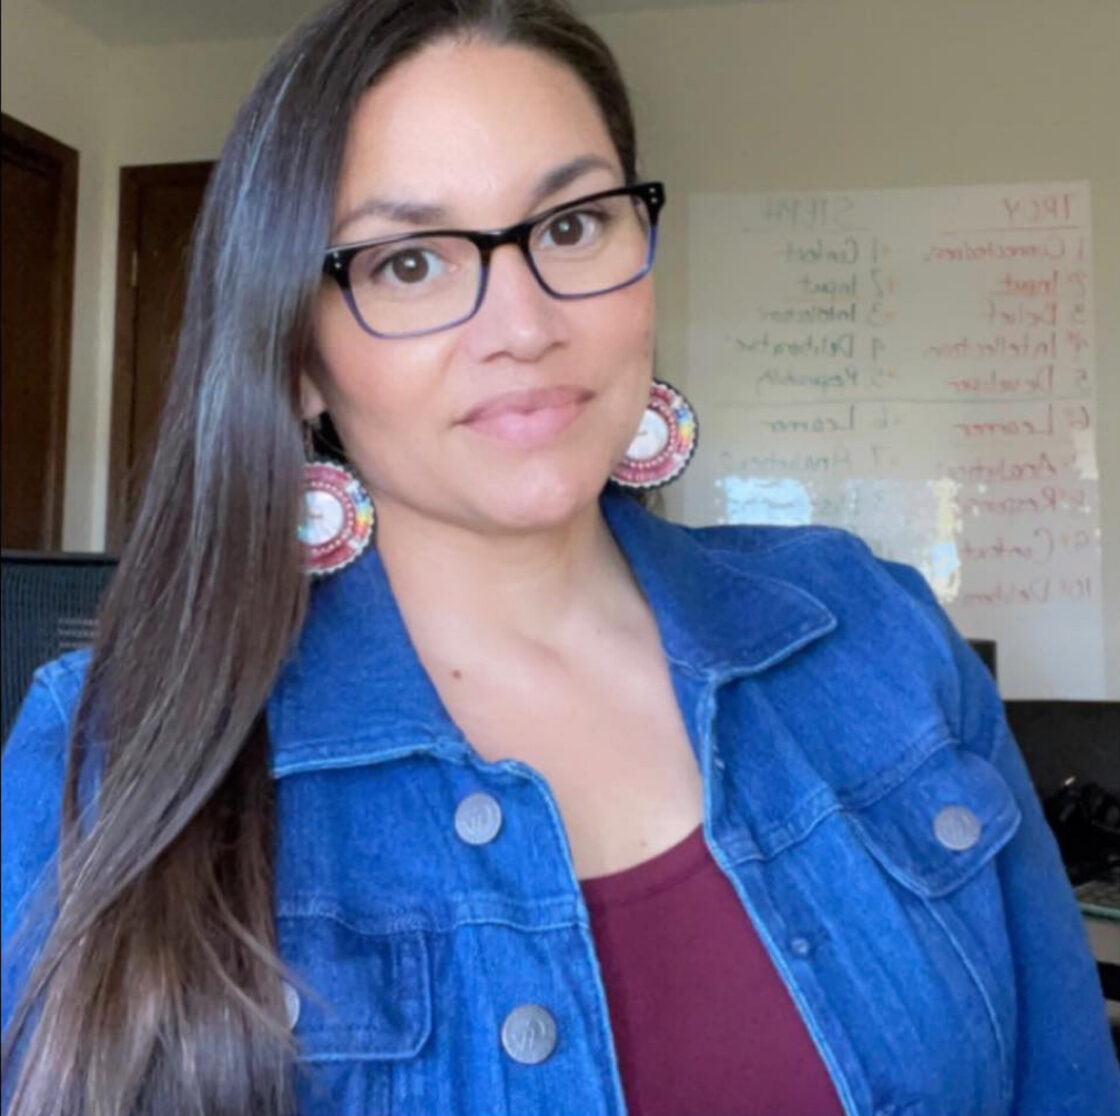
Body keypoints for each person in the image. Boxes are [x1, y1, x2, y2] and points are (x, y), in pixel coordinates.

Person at [2, 0, 1117, 1113]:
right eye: (408, 263)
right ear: (298, 354)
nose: (523, 323)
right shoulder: (106, 751)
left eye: (573, 226)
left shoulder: (873, 632)